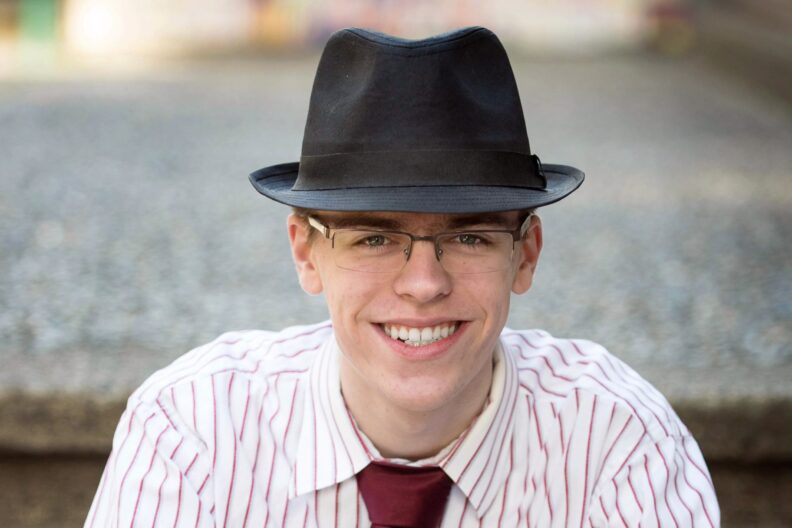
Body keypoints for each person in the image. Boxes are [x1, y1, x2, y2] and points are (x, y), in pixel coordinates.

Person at [85, 27, 719, 527]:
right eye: (375, 238)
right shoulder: (191, 431)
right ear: (306, 254)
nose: (423, 284)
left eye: (470, 235)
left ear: (525, 255)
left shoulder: (618, 442)